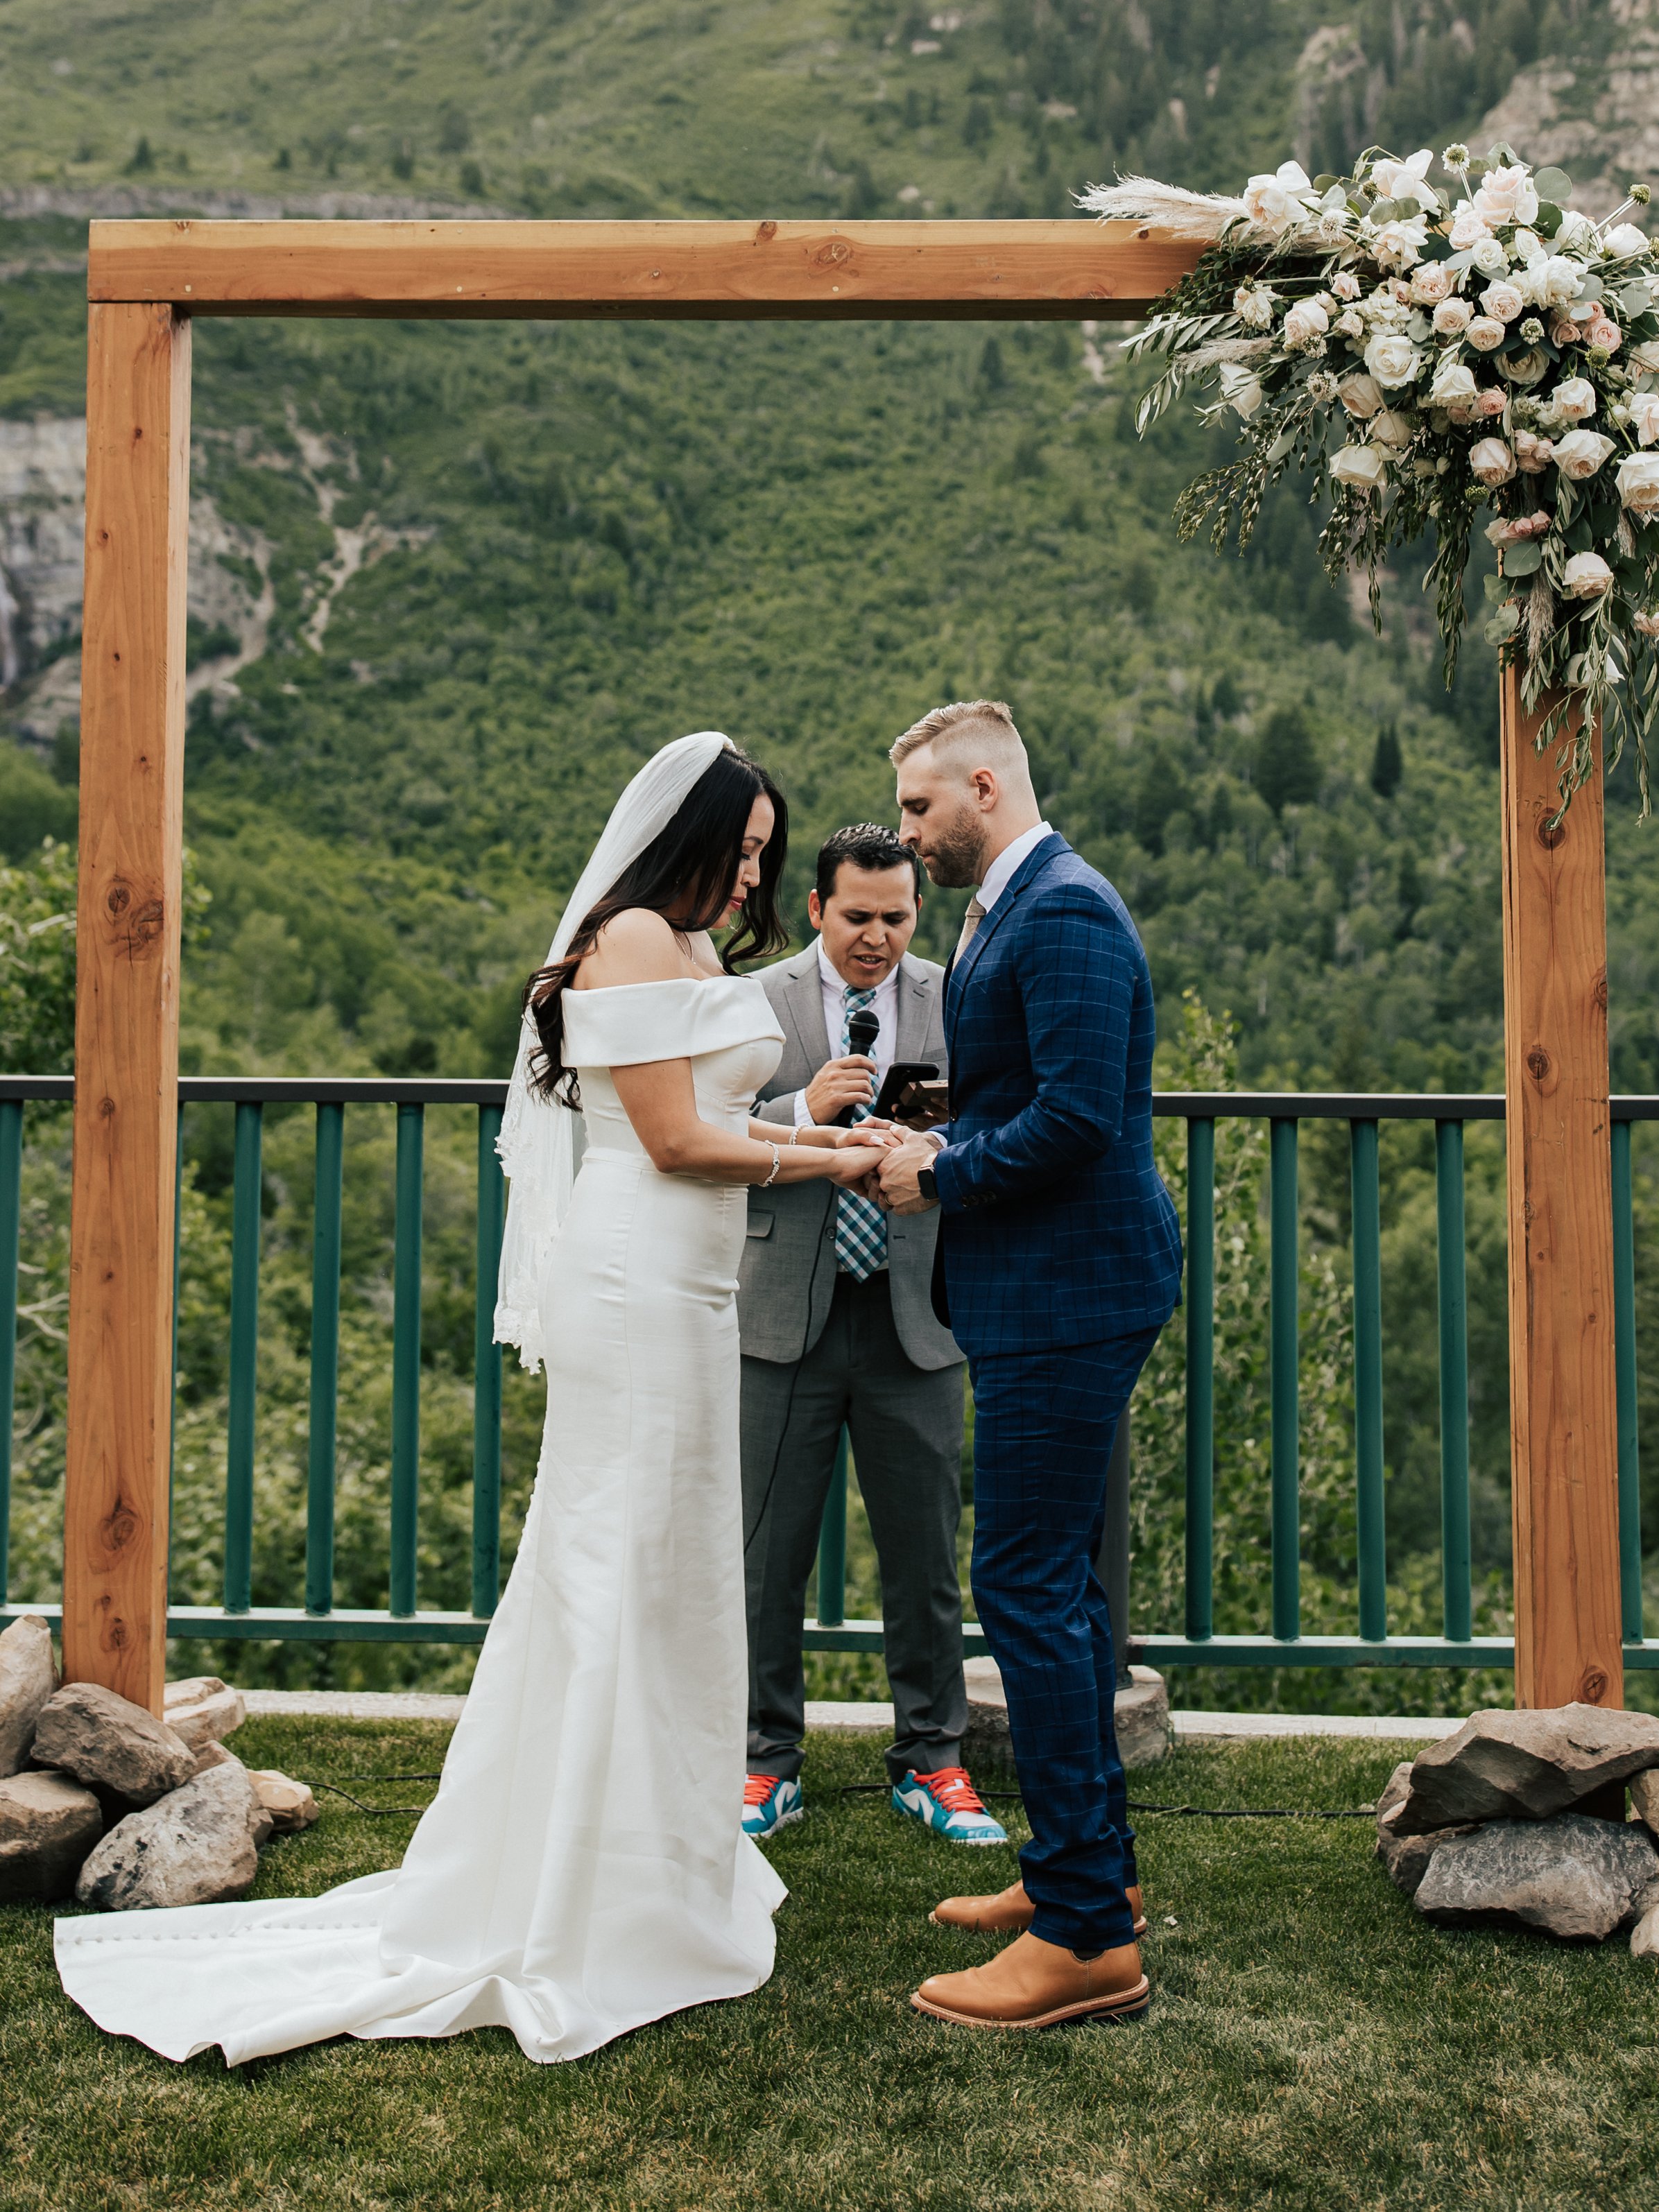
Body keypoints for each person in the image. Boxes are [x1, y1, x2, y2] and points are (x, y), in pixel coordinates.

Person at [54, 734, 897, 2068]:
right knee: (610, 1556)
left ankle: (662, 1868)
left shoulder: (688, 951)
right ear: (682, 838)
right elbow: (675, 1142)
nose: (750, 878)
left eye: (762, 859)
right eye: (738, 852)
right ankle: (569, 1889)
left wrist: (832, 1137)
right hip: (630, 1279)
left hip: (695, 1287)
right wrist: (829, 1167)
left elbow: (728, 1117)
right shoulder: (625, 937)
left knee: (677, 1569)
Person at [874, 700, 1183, 2032]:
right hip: (1043, 1285)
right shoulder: (1009, 901)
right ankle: (1077, 1875)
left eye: (917, 811)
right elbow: (1034, 1086)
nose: (905, 835)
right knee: (1051, 1582)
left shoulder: (1059, 908)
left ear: (983, 786)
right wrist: (935, 1117)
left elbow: (1076, 1118)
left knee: (1024, 1581)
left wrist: (936, 1166)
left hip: (1070, 1289)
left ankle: (1086, 1936)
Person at [738, 823, 1005, 1851]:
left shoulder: (955, 995)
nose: (877, 937)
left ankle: (933, 1761)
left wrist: (931, 1145)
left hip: (916, 1313)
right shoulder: (755, 999)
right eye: (857, 917)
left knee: (925, 1555)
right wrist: (801, 1108)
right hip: (779, 1316)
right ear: (816, 909)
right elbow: (704, 1125)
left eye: (896, 918)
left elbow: (994, 1119)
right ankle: (764, 1764)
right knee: (766, 1558)